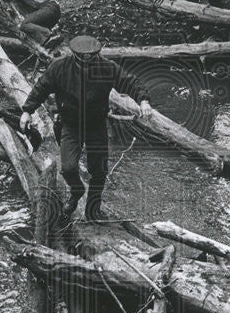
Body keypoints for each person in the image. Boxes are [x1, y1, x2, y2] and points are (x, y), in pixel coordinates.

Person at [19, 35, 152, 222]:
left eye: (94, 56)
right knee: (68, 168)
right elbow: (40, 89)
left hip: (96, 125)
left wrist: (143, 100)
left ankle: (92, 210)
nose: (90, 60)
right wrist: (27, 111)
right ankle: (77, 190)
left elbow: (130, 82)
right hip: (70, 125)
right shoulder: (59, 67)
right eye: (85, 57)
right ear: (75, 56)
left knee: (99, 171)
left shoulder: (106, 67)